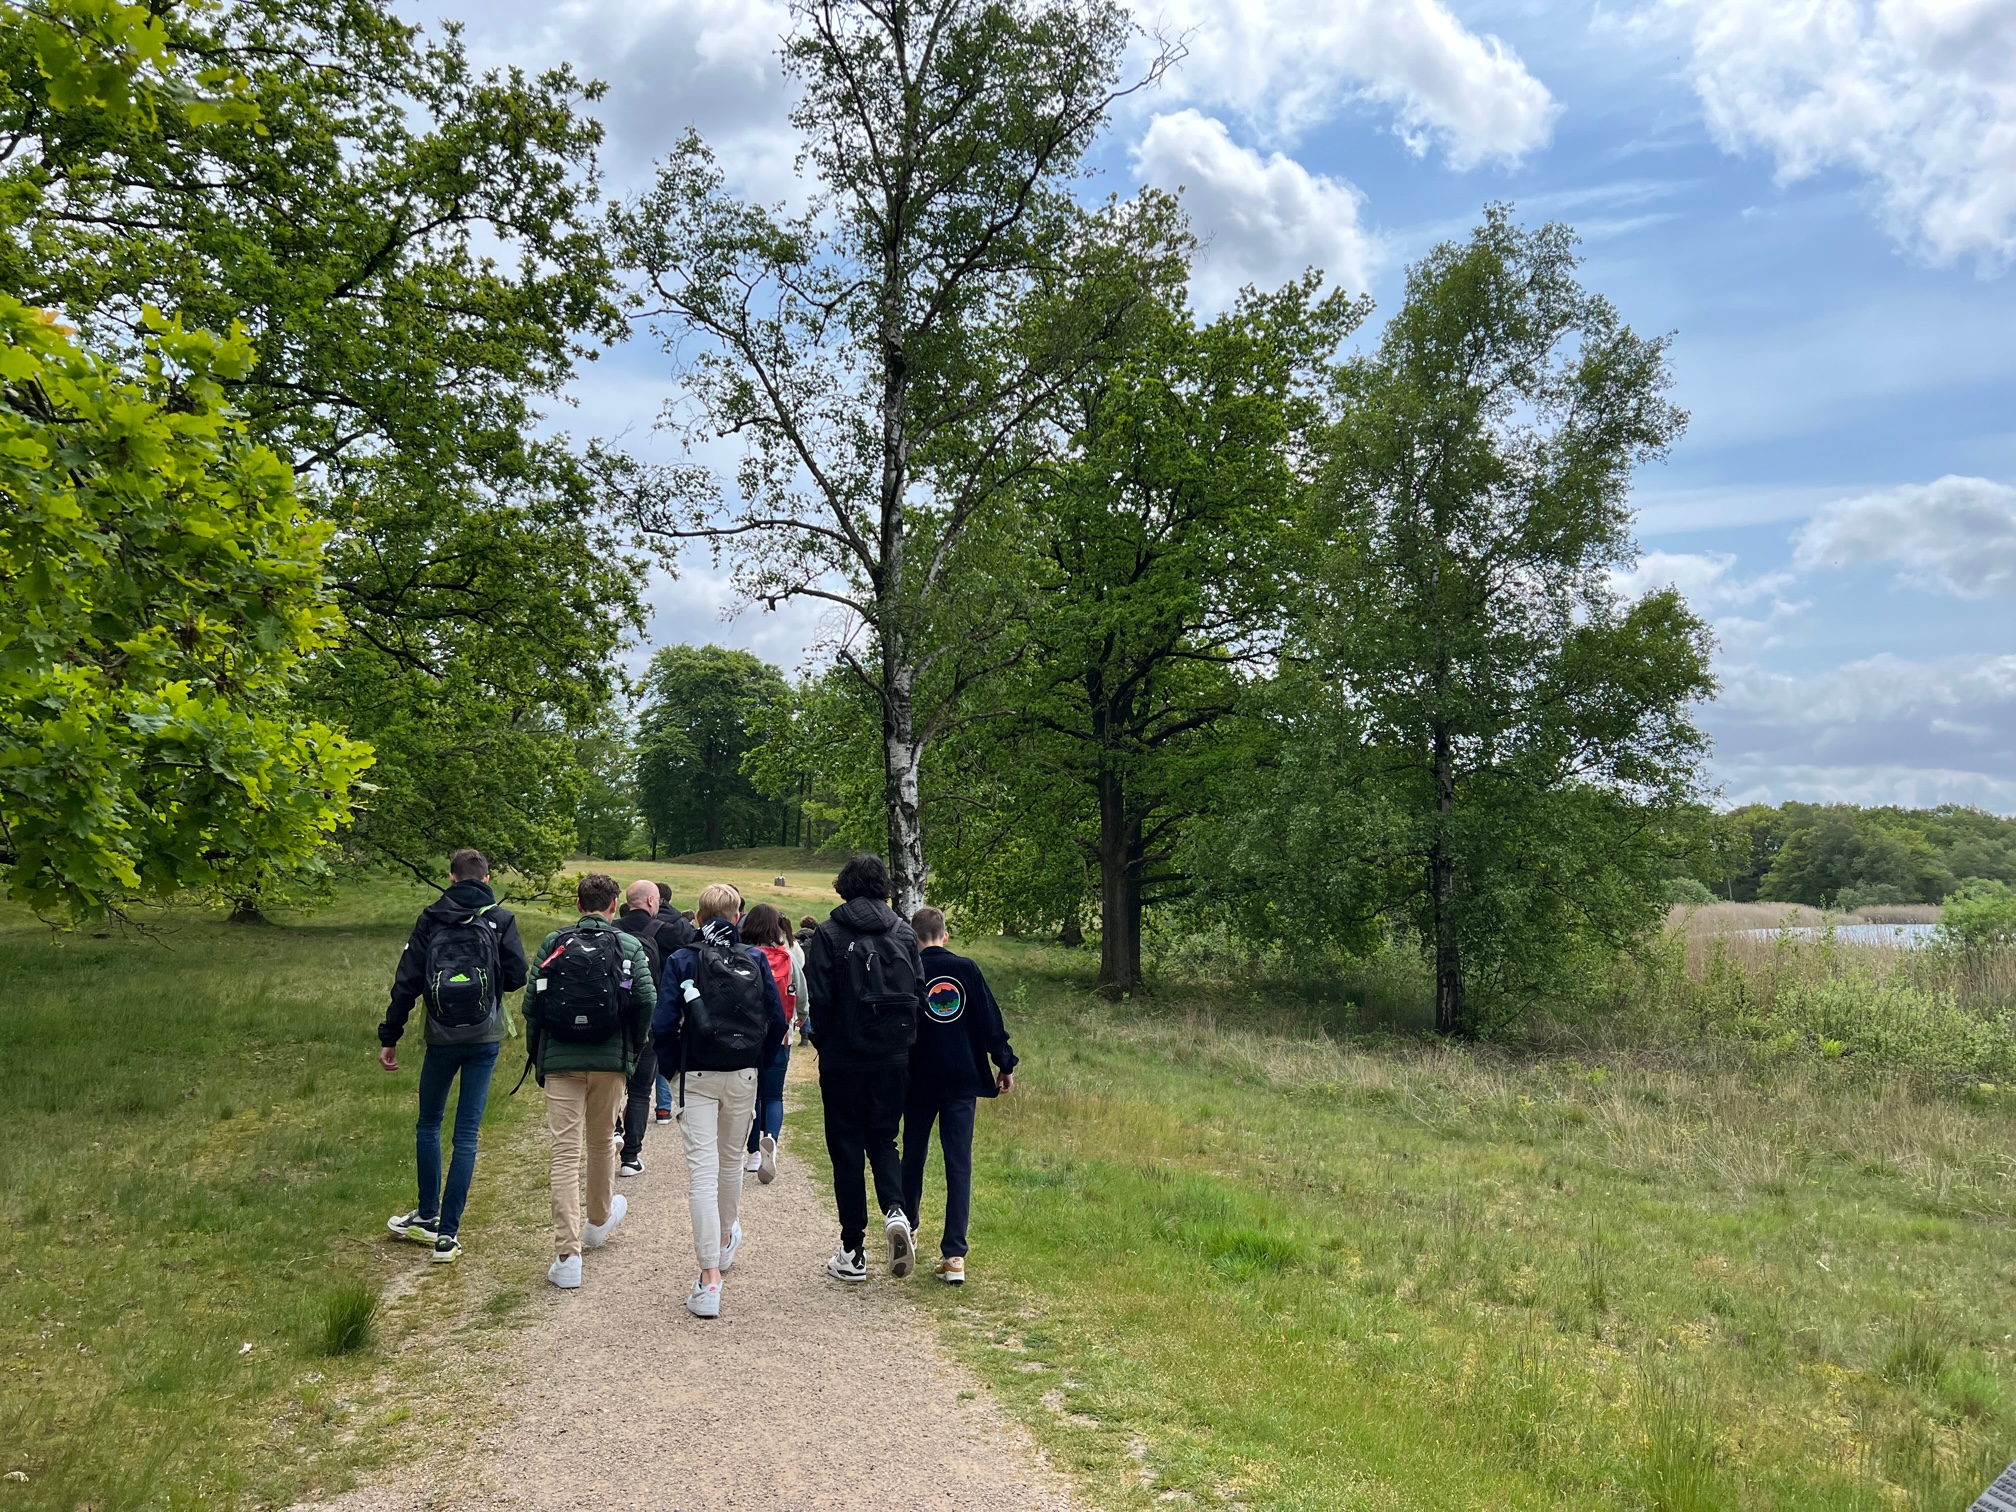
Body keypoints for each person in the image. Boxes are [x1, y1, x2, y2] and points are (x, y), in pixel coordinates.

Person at [378, 848, 527, 1264]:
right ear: (486, 878)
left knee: (429, 1123)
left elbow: (406, 981)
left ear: (451, 877)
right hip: (485, 1036)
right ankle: (447, 1236)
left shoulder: (431, 917)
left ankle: (427, 1214)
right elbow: (518, 975)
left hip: (440, 1036)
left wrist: (390, 1035)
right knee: (466, 1134)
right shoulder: (500, 919)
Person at [656, 882, 788, 1317]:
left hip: (698, 1073)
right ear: (736, 918)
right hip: (743, 1072)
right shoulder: (753, 958)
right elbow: (775, 1018)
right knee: (731, 1163)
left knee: (702, 1172)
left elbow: (663, 1022)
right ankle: (726, 1237)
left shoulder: (683, 959)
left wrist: (671, 1068)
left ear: (697, 917)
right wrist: (758, 1061)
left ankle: (709, 1275)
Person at [525, 872, 658, 1290]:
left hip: (560, 1057)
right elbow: (646, 999)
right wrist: (633, 1047)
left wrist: (537, 1055)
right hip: (609, 1058)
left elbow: (532, 1004)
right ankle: (598, 1220)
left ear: (579, 905)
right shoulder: (628, 945)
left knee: (565, 1153)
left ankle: (567, 1256)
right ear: (615, 905)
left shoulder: (554, 942)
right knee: (601, 1142)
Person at [804, 853, 925, 1284]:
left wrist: (825, 1043)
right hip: (893, 1057)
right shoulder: (904, 932)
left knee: (846, 1151)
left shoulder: (830, 932)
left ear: (844, 885)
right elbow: (918, 990)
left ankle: (853, 1251)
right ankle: (896, 1211)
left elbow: (820, 999)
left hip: (843, 1059)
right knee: (885, 1140)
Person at [901, 907, 1017, 1285]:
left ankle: (908, 1228)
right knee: (958, 1163)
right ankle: (954, 1256)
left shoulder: (910, 969)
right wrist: (1005, 1063)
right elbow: (989, 1021)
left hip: (918, 1079)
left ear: (914, 936)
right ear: (945, 935)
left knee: (913, 1155)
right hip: (963, 1080)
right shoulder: (967, 969)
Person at [739, 904, 805, 1183]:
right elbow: (802, 993)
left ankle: (754, 1152)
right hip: (779, 1035)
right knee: (774, 1096)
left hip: (746, 1035)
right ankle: (771, 1141)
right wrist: (802, 1016)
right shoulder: (786, 957)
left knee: (751, 1096)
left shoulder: (741, 955)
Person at [614, 880, 673, 1177]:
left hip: (612, 1019)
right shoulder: (667, 932)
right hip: (647, 1020)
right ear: (651, 901)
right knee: (640, 1092)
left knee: (611, 1083)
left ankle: (614, 1128)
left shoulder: (612, 931)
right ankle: (631, 1157)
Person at [652, 884, 698, 1121]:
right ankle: (664, 1106)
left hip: (643, 989)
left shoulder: (636, 922)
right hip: (672, 992)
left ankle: (630, 1104)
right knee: (666, 1042)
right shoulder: (680, 923)